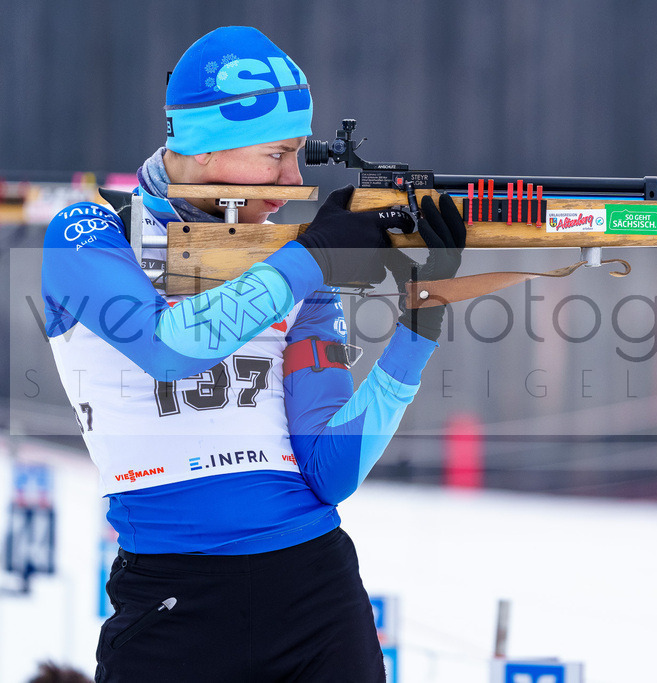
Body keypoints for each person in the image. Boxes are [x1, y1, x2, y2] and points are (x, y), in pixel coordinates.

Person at [40, 26, 465, 682]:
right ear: (207, 146)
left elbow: (329, 471)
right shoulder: (91, 230)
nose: (293, 179)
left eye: (299, 154)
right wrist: (314, 255)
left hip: (316, 597)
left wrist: (421, 316)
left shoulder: (292, 262)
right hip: (172, 604)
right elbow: (168, 347)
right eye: (277, 154)